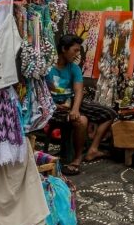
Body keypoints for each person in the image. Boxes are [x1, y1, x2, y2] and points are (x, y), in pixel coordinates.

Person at [47, 35, 116, 175]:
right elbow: (40, 91)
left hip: (71, 102)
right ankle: (77, 159)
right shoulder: (47, 68)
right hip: (53, 106)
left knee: (110, 113)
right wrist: (52, 104)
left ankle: (93, 149)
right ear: (63, 49)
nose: (77, 54)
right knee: (82, 120)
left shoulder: (74, 68)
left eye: (79, 51)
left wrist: (75, 109)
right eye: (75, 50)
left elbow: (78, 91)